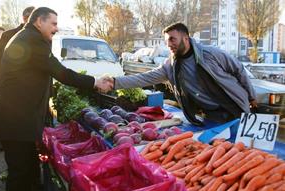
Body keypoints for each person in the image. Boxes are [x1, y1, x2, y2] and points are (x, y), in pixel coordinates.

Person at [0, 7, 112, 191]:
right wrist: (95, 82)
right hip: (16, 121)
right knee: (18, 174)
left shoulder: (27, 37)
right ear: (39, 21)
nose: (56, 28)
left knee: (22, 171)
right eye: (53, 23)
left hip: (17, 118)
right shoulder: (33, 40)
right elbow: (61, 73)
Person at [104, 22, 257, 126]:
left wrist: (252, 96)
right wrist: (114, 83)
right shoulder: (170, 65)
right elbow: (144, 78)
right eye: (166, 41)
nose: (169, 44)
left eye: (172, 39)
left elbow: (239, 70)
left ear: (186, 38)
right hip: (212, 115)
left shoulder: (211, 54)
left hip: (234, 108)